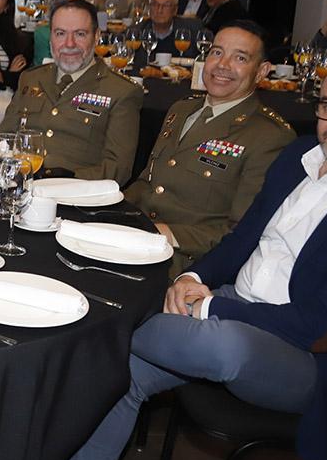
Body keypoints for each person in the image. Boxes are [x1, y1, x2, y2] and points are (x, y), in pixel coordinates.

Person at [37, 55, 327, 460]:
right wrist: (193, 279)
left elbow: (322, 329)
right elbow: (241, 239)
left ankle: (87, 328)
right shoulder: (299, 157)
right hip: (234, 304)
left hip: (313, 360)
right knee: (117, 373)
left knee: (217, 341)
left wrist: (211, 305)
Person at [123, 21, 295, 275]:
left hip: (185, 262)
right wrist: (112, 212)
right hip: (134, 237)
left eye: (240, 58)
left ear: (261, 71)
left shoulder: (268, 136)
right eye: (217, 52)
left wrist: (167, 234)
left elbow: (243, 233)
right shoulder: (181, 110)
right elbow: (147, 183)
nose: (223, 65)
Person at [0, 0, 142, 185]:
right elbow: (4, 139)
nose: (69, 43)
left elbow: (117, 170)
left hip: (75, 199)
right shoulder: (30, 78)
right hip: (16, 187)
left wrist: (63, 182)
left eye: (80, 34)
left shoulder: (121, 92)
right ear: (50, 37)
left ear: (97, 36)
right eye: (60, 33)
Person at [132, 0, 202, 65]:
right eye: (155, 4)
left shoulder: (192, 31)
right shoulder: (137, 31)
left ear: (175, 10)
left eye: (166, 5)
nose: (159, 10)